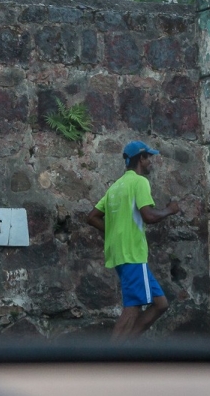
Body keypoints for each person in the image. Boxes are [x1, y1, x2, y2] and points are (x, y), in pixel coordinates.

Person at [86, 140, 181, 342]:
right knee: (133, 307)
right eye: (149, 158)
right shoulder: (139, 182)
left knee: (160, 303)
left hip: (119, 252)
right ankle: (110, 359)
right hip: (132, 253)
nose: (151, 162)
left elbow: (92, 216)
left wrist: (113, 232)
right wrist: (169, 210)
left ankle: (125, 347)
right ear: (141, 158)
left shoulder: (115, 187)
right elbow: (148, 216)